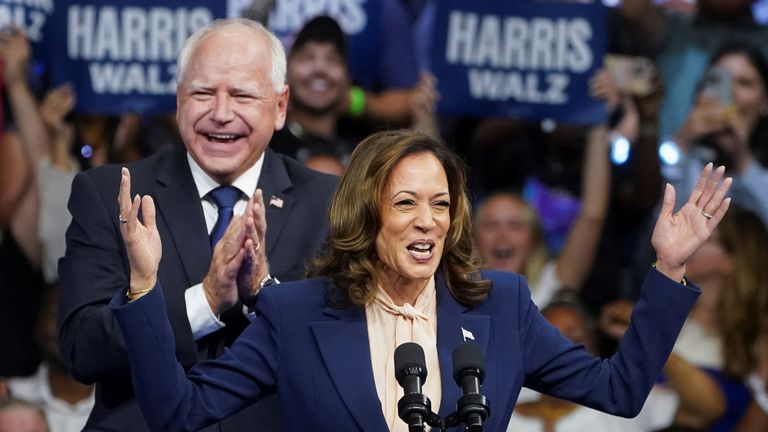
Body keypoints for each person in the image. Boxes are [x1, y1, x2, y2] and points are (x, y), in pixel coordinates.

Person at [109, 129, 730, 431]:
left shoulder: (501, 304)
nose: (427, 221)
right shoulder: (296, 314)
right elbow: (179, 413)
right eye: (405, 203)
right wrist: (142, 285)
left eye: (441, 203)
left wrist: (668, 269)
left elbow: (620, 392)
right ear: (366, 214)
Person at [57, 18, 338, 431]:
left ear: (280, 107)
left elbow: (339, 350)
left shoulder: (330, 204)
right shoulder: (113, 193)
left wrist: (264, 294)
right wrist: (204, 301)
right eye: (203, 93)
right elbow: (83, 349)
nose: (220, 114)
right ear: (178, 101)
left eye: (241, 95)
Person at [472, 126, 610, 309]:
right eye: (491, 226)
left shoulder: (548, 287)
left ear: (534, 238)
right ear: (472, 238)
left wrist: (597, 124)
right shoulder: (455, 288)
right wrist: (424, 115)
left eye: (515, 226)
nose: (502, 235)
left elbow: (592, 216)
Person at [669, 42, 768, 225]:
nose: (730, 93)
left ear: (765, 101)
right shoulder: (686, 158)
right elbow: (655, 222)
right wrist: (682, 142)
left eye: (744, 83)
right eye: (718, 81)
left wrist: (742, 160)